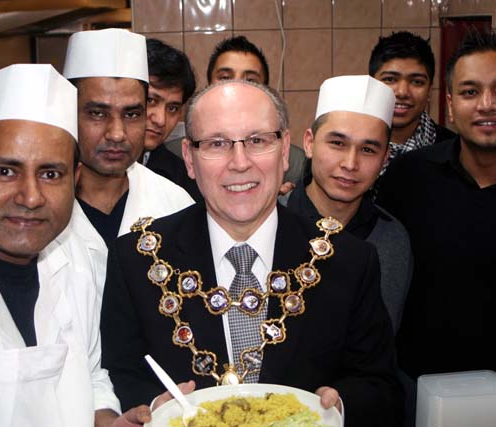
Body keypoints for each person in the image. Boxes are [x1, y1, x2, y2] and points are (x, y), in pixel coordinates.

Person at [101, 80, 404, 426]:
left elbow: (381, 386)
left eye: (258, 141)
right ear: (189, 158)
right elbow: (123, 370)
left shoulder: (347, 261)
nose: (240, 163)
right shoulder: (139, 258)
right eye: (217, 143)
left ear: (285, 148)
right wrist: (158, 406)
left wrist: (339, 406)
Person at [0, 64, 151, 427]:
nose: (30, 197)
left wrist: (106, 418)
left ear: (74, 180)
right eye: (6, 171)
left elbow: (91, 373)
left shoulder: (73, 259)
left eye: (50, 174)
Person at [377, 30, 496, 383]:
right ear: (451, 106)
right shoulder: (408, 176)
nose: (488, 104)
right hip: (416, 387)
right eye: (471, 92)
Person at [62, 29, 194, 295]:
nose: (117, 133)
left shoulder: (176, 205)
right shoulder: (34, 211)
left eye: (132, 114)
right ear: (66, 110)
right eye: (97, 113)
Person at [286, 75, 412, 334]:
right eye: (337, 143)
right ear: (309, 143)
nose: (350, 164)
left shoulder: (391, 239)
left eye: (368, 150)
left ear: (385, 158)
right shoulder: (273, 219)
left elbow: (382, 346)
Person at [166, 35, 306, 192]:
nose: (236, 86)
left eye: (251, 81)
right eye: (225, 78)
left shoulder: (296, 164)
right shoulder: (172, 155)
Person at [369, 31, 455, 173]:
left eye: (417, 82)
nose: (402, 92)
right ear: (371, 85)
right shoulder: (349, 145)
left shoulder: (456, 152)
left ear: (429, 92)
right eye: (390, 79)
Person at [141, 38, 201, 201]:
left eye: (172, 108)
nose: (160, 119)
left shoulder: (185, 181)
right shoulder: (82, 169)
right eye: (151, 100)